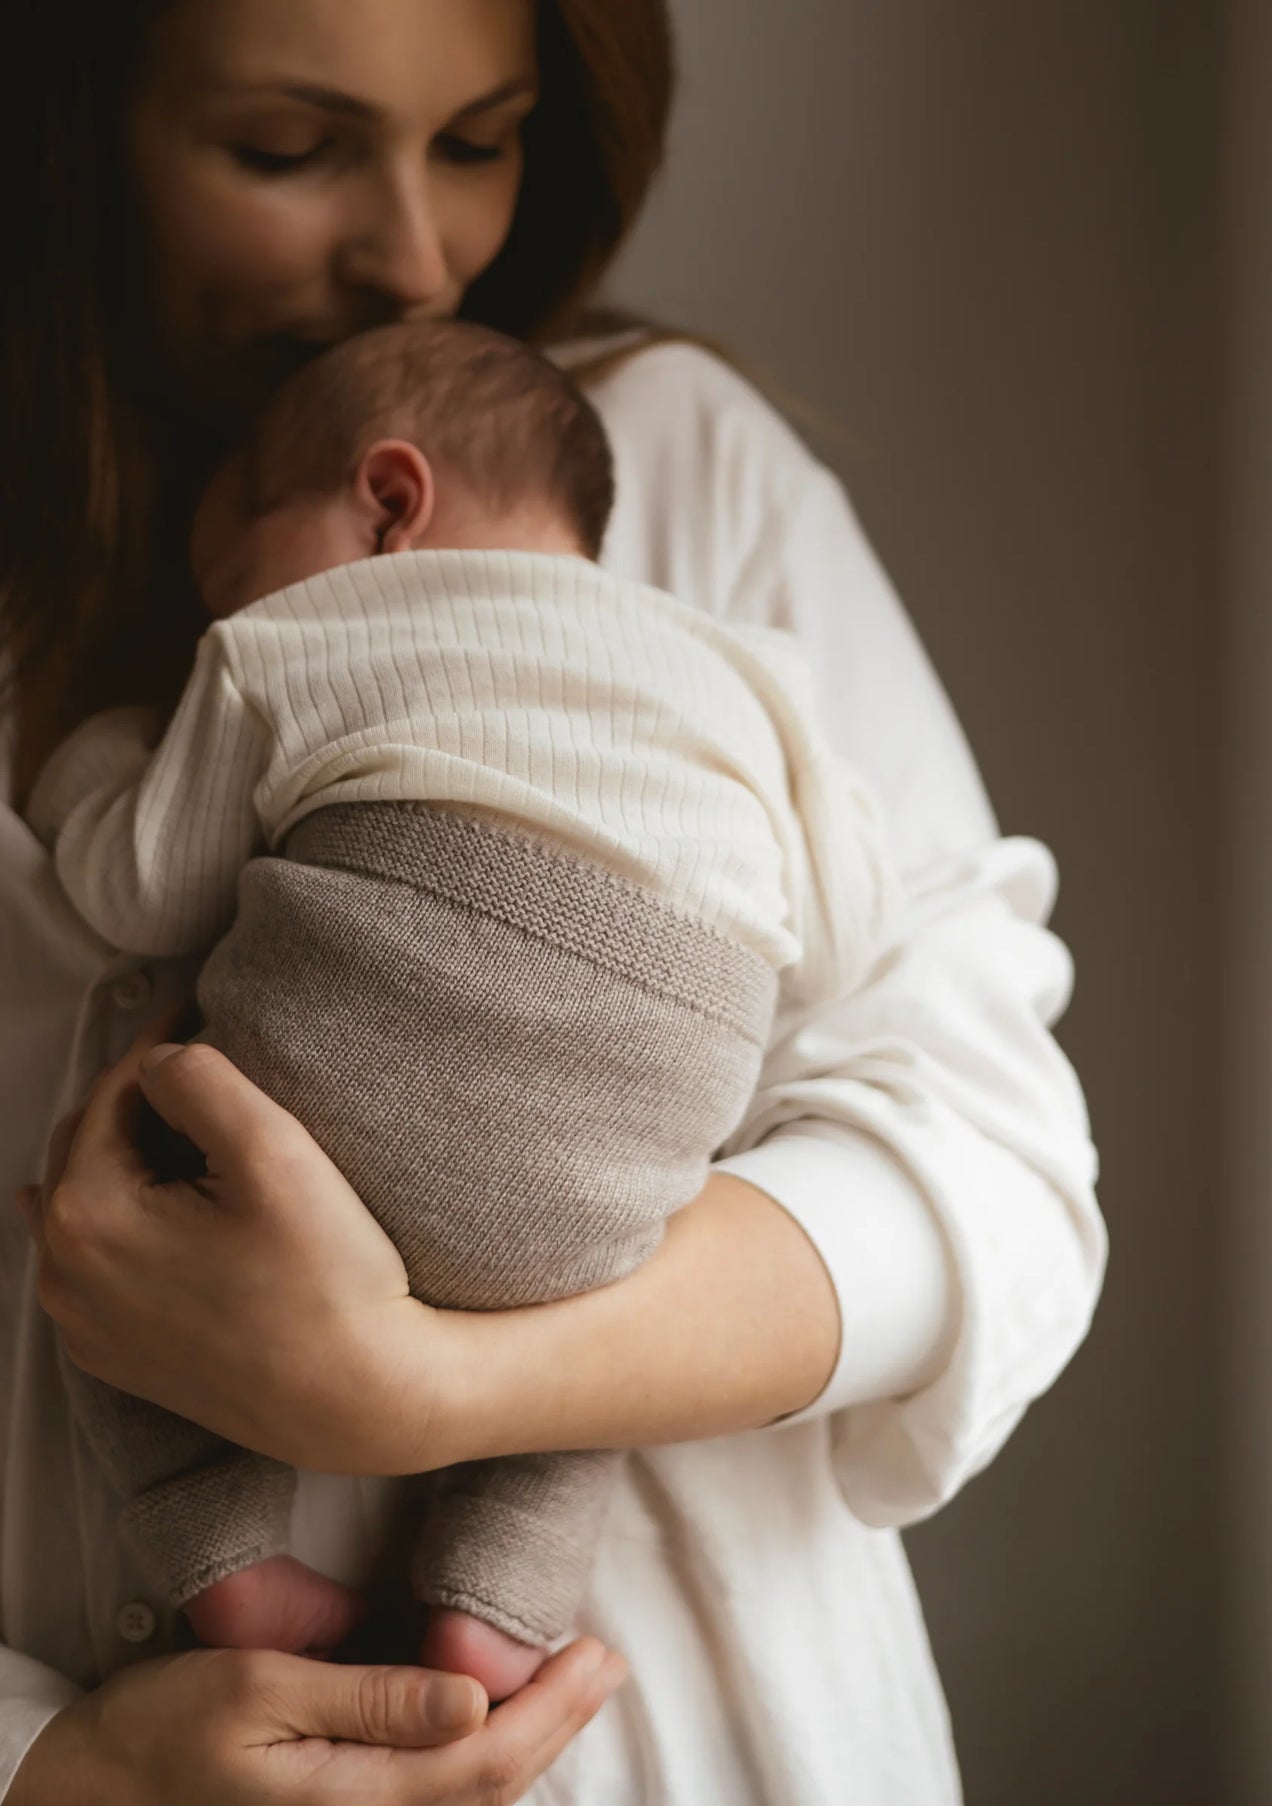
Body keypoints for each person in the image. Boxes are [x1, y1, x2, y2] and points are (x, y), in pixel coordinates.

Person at [0, 2, 1107, 1801]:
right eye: (286, 148)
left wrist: (422, 1386)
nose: (418, 258)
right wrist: (58, 1764)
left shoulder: (677, 457)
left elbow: (992, 1159)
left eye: (480, 138)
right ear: (71, 125)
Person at [29, 316, 898, 1707]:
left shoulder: (300, 635)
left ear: (386, 502)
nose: (223, 619)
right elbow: (848, 937)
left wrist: (96, 765)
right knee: (585, 1354)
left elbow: (142, 888)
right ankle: (495, 1608)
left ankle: (226, 1558)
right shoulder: (754, 673)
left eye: (229, 577)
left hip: (337, 1115)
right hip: (636, 1137)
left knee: (117, 1237)